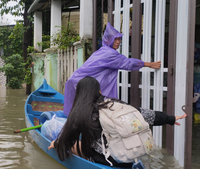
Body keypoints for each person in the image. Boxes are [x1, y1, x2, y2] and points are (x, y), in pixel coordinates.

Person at [48, 76, 187, 168]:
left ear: (80, 94)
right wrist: (171, 119)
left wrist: (57, 143)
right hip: (128, 158)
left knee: (75, 144)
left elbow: (67, 138)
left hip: (106, 161)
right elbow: (146, 115)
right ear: (99, 91)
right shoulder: (115, 104)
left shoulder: (79, 114)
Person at [63, 22, 161, 116]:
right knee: (84, 114)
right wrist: (149, 64)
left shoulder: (102, 50)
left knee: (77, 113)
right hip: (79, 84)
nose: (118, 42)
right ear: (108, 40)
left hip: (76, 82)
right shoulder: (110, 54)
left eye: (119, 39)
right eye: (115, 39)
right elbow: (128, 63)